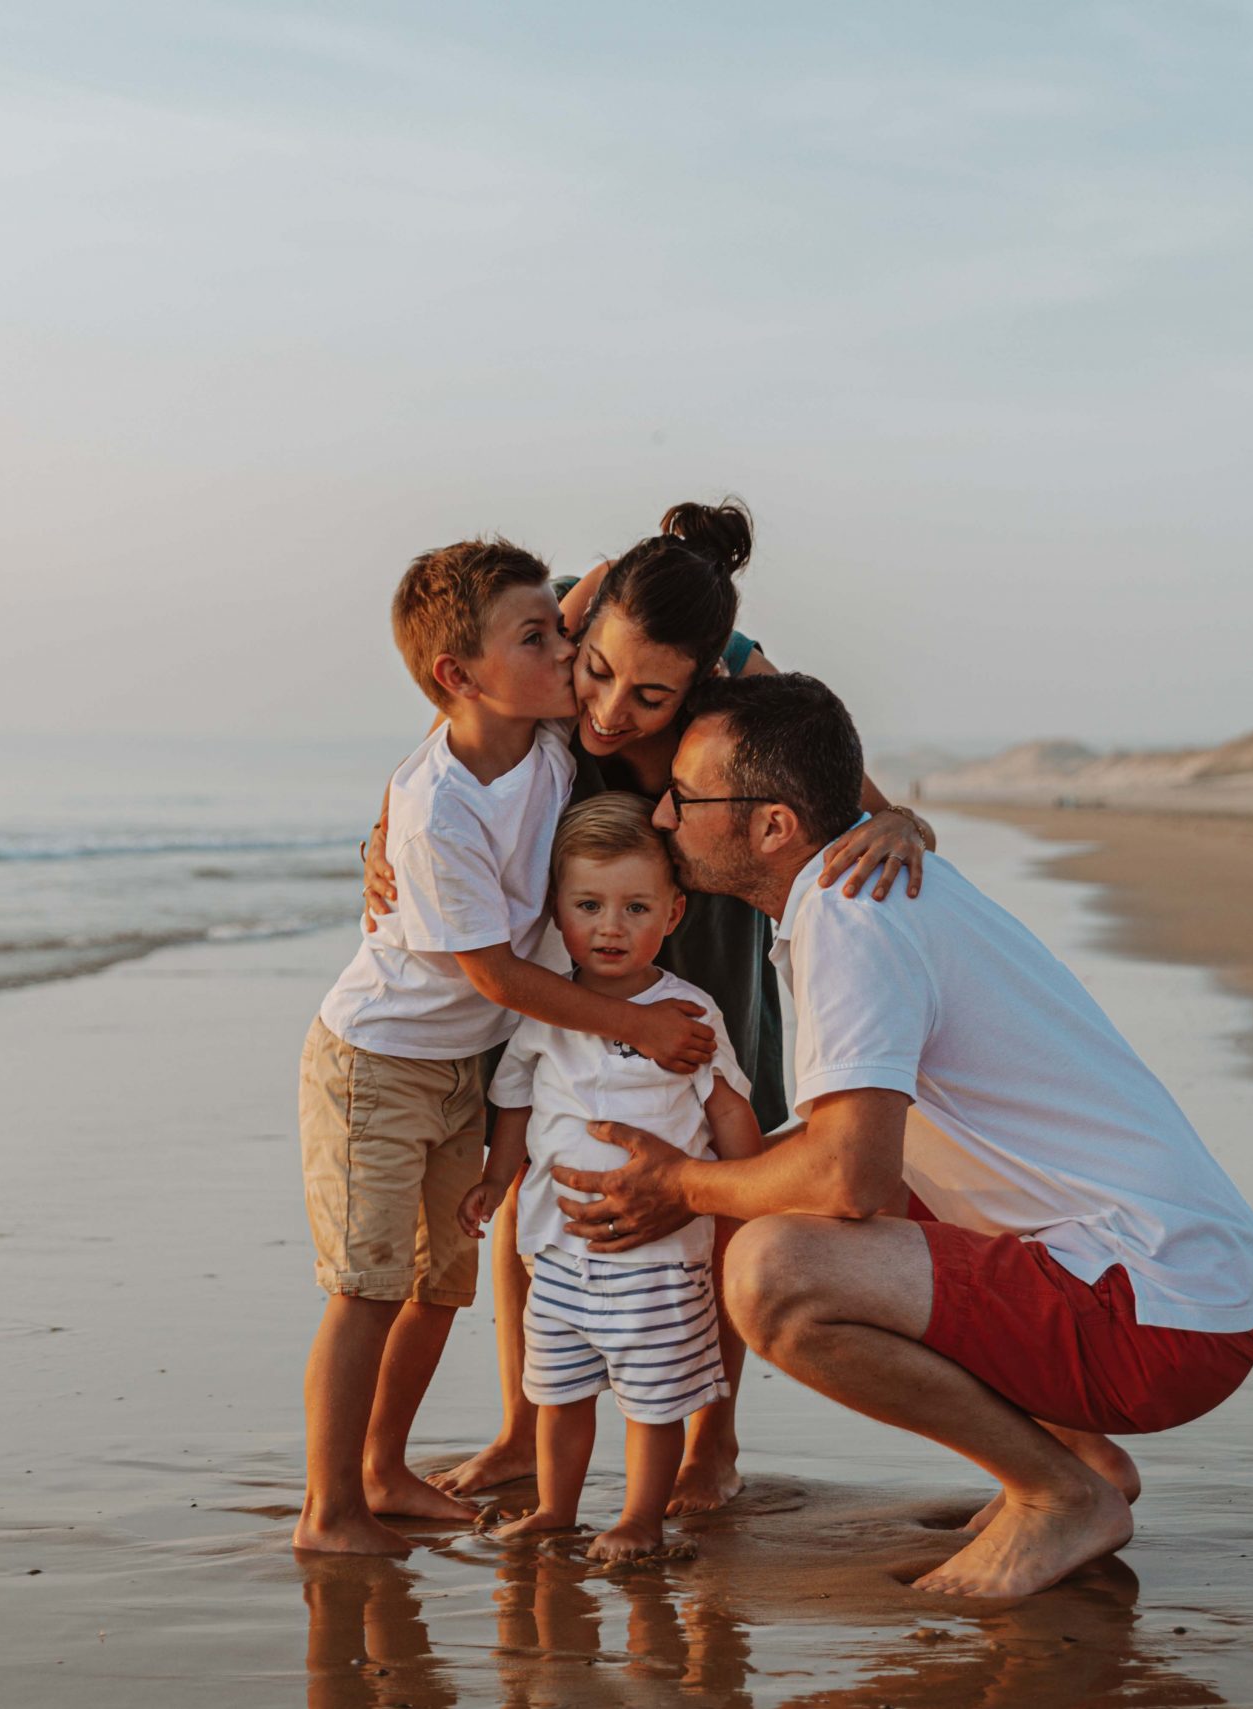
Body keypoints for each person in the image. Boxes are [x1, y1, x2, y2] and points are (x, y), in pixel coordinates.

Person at [554, 672, 1253, 1598]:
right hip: (1170, 1280)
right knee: (766, 1178)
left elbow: (851, 1179)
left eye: (687, 798)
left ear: (774, 826)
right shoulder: (869, 881)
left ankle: (1057, 1494)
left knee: (770, 1268)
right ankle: (1082, 1459)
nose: (660, 815)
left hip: (1154, 1317)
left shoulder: (853, 914)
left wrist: (682, 1185)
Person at [364, 499, 935, 1515]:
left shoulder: (732, 672)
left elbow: (832, 782)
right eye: (594, 674)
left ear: (701, 681)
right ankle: (522, 1424)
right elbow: (459, 721)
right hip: (575, 935)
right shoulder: (580, 620)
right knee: (544, 1154)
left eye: (650, 695)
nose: (610, 710)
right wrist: (382, 827)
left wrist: (892, 817)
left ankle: (709, 1441)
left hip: (704, 928)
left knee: (721, 1169)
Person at [293, 539, 719, 1558]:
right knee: (369, 1282)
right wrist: (636, 1022)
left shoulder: (548, 740)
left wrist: (618, 570)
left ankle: (384, 1468)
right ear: (459, 675)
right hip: (378, 1063)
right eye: (541, 639)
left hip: (458, 1067)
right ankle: (328, 1506)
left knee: (442, 1279)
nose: (569, 651)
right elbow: (493, 973)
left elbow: (574, 606)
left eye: (561, 628)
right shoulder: (436, 805)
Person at [457, 794, 764, 1561]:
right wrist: (497, 1181)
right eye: (588, 905)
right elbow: (516, 1102)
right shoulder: (546, 1008)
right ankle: (557, 1507)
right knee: (555, 1392)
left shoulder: (688, 1009)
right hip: (557, 1254)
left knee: (653, 1402)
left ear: (673, 912)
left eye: (635, 907)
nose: (610, 926)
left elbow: (727, 1110)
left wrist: (753, 1191)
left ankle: (638, 1517)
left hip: (658, 1263)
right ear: (557, 912)